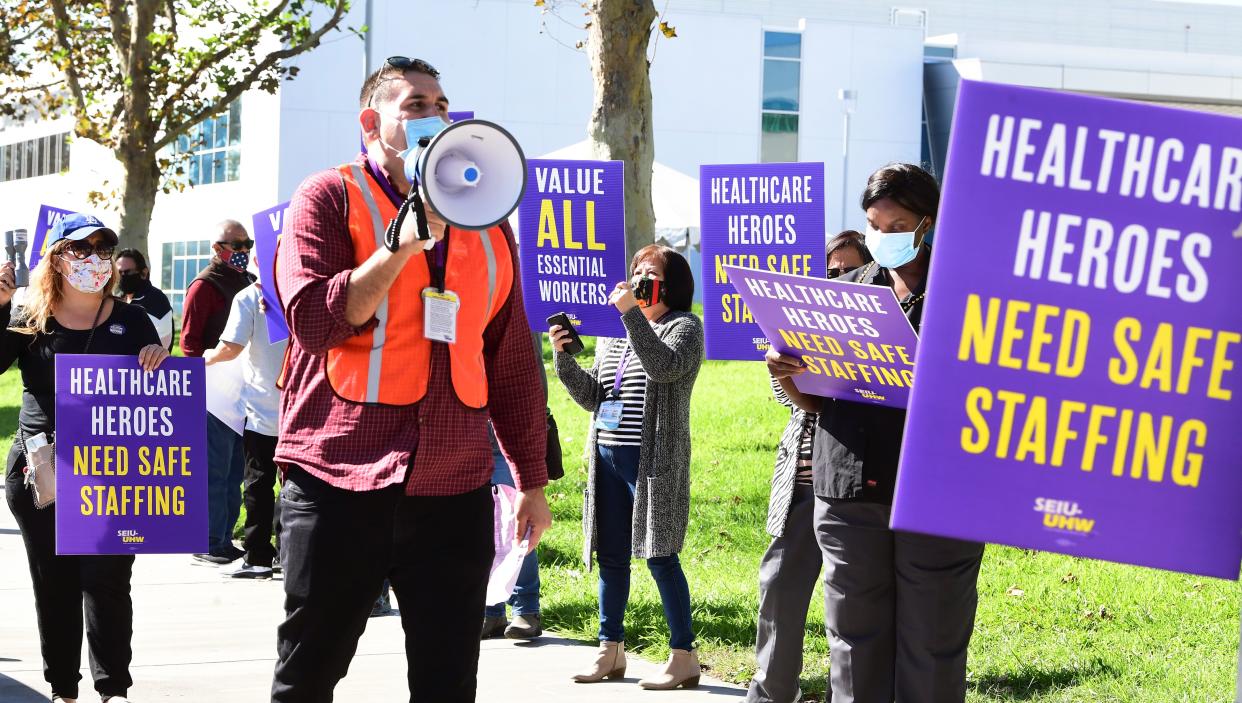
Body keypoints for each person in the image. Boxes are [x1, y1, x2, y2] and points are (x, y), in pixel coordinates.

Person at [271, 56, 551, 702]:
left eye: (442, 103)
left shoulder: (490, 224)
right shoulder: (328, 196)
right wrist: (400, 245)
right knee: (309, 672)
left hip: (453, 485)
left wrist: (531, 481)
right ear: (373, 122)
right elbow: (314, 322)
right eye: (416, 105)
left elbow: (511, 363)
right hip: (339, 478)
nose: (436, 115)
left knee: (448, 679)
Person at [766, 163, 985, 703]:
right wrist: (785, 375)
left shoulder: (967, 295)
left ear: (926, 222)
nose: (882, 237)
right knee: (853, 646)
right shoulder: (840, 294)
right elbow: (816, 402)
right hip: (847, 491)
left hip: (936, 495)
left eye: (896, 225)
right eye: (874, 225)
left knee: (931, 647)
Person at [2, 214, 169, 703]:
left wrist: (157, 364)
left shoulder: (132, 317)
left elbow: (154, 398)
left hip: (110, 475)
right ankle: (63, 689)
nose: (96, 258)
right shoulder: (28, 315)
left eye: (103, 248)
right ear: (57, 257)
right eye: (83, 249)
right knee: (53, 582)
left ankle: (112, 688)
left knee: (109, 579)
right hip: (43, 472)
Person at [551, 244, 704, 691]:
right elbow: (594, 398)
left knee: (659, 554)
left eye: (649, 271)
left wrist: (631, 317)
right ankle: (610, 650)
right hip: (607, 457)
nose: (639, 277)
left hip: (653, 460)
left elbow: (661, 368)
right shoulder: (616, 335)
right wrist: (564, 360)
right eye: (635, 269)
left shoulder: (684, 327)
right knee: (612, 556)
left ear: (670, 283)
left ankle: (683, 655)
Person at [746, 230, 872, 703]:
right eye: (832, 271)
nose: (840, 278)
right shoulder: (808, 325)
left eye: (849, 269)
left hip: (852, 489)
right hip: (800, 483)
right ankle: (771, 693)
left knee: (850, 611)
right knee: (778, 589)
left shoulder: (887, 328)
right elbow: (789, 399)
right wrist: (780, 369)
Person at [203, 278, 288, 579]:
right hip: (304, 408)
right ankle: (288, 554)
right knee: (294, 486)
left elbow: (230, 347)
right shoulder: (307, 286)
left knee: (258, 484)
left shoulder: (251, 296)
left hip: (263, 408)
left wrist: (203, 360)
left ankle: (258, 556)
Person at [182, 220, 254, 565]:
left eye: (247, 245)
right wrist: (201, 383)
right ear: (217, 248)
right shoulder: (204, 286)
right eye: (235, 246)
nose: (242, 252)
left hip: (244, 392)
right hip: (213, 393)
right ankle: (208, 540)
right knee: (214, 470)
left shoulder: (249, 284)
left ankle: (224, 537)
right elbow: (189, 344)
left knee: (234, 471)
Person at [482, 331, 549, 640]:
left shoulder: (516, 303)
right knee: (481, 525)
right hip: (467, 427)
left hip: (508, 436)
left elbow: (530, 373)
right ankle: (491, 612)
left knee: (517, 522)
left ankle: (526, 609)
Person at [114, 248, 174, 349]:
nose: (123, 277)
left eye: (128, 272)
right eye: (119, 273)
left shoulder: (156, 300)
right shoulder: (121, 298)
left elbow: (161, 344)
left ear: (144, 273)